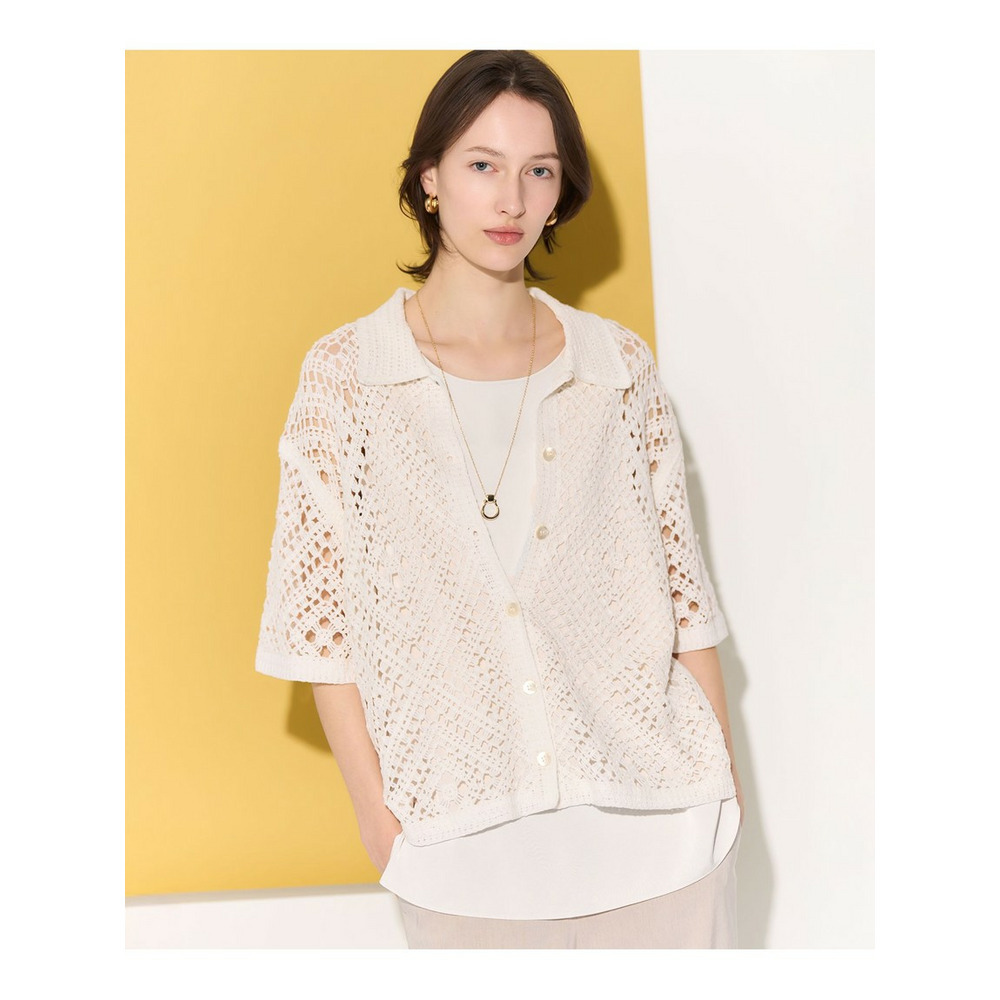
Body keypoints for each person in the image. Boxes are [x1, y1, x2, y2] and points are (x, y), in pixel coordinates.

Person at [255, 49, 744, 949]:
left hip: (662, 836)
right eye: (483, 165)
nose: (511, 199)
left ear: (561, 191)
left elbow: (686, 601)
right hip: (462, 858)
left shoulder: (616, 368)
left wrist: (725, 791)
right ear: (430, 177)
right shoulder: (348, 379)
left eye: (539, 170)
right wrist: (379, 822)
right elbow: (320, 632)